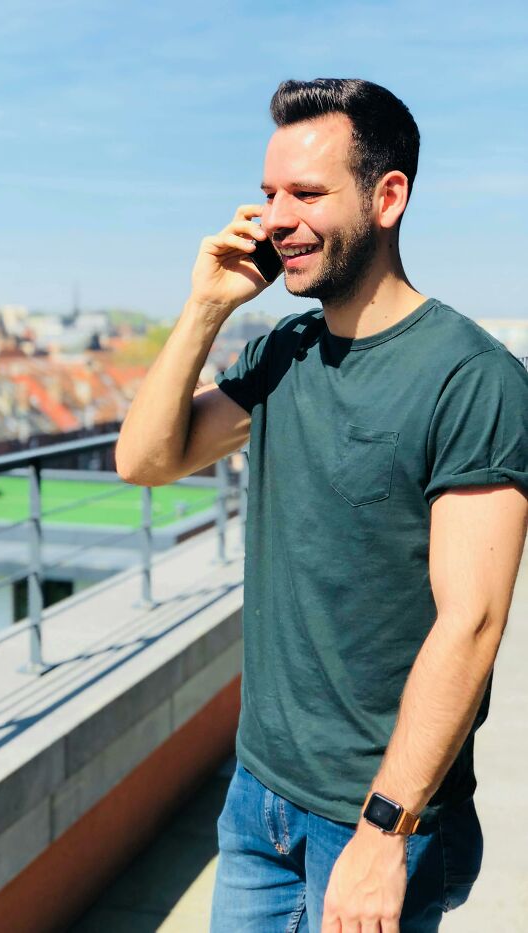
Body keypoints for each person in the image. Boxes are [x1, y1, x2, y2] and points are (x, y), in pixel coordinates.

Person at [115, 78, 528, 932]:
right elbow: (144, 460)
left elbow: (473, 624)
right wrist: (205, 306)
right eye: (269, 194)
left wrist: (384, 832)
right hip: (257, 795)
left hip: (374, 815)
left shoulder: (472, 378)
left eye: (306, 193)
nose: (277, 218)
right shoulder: (285, 350)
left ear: (387, 197)